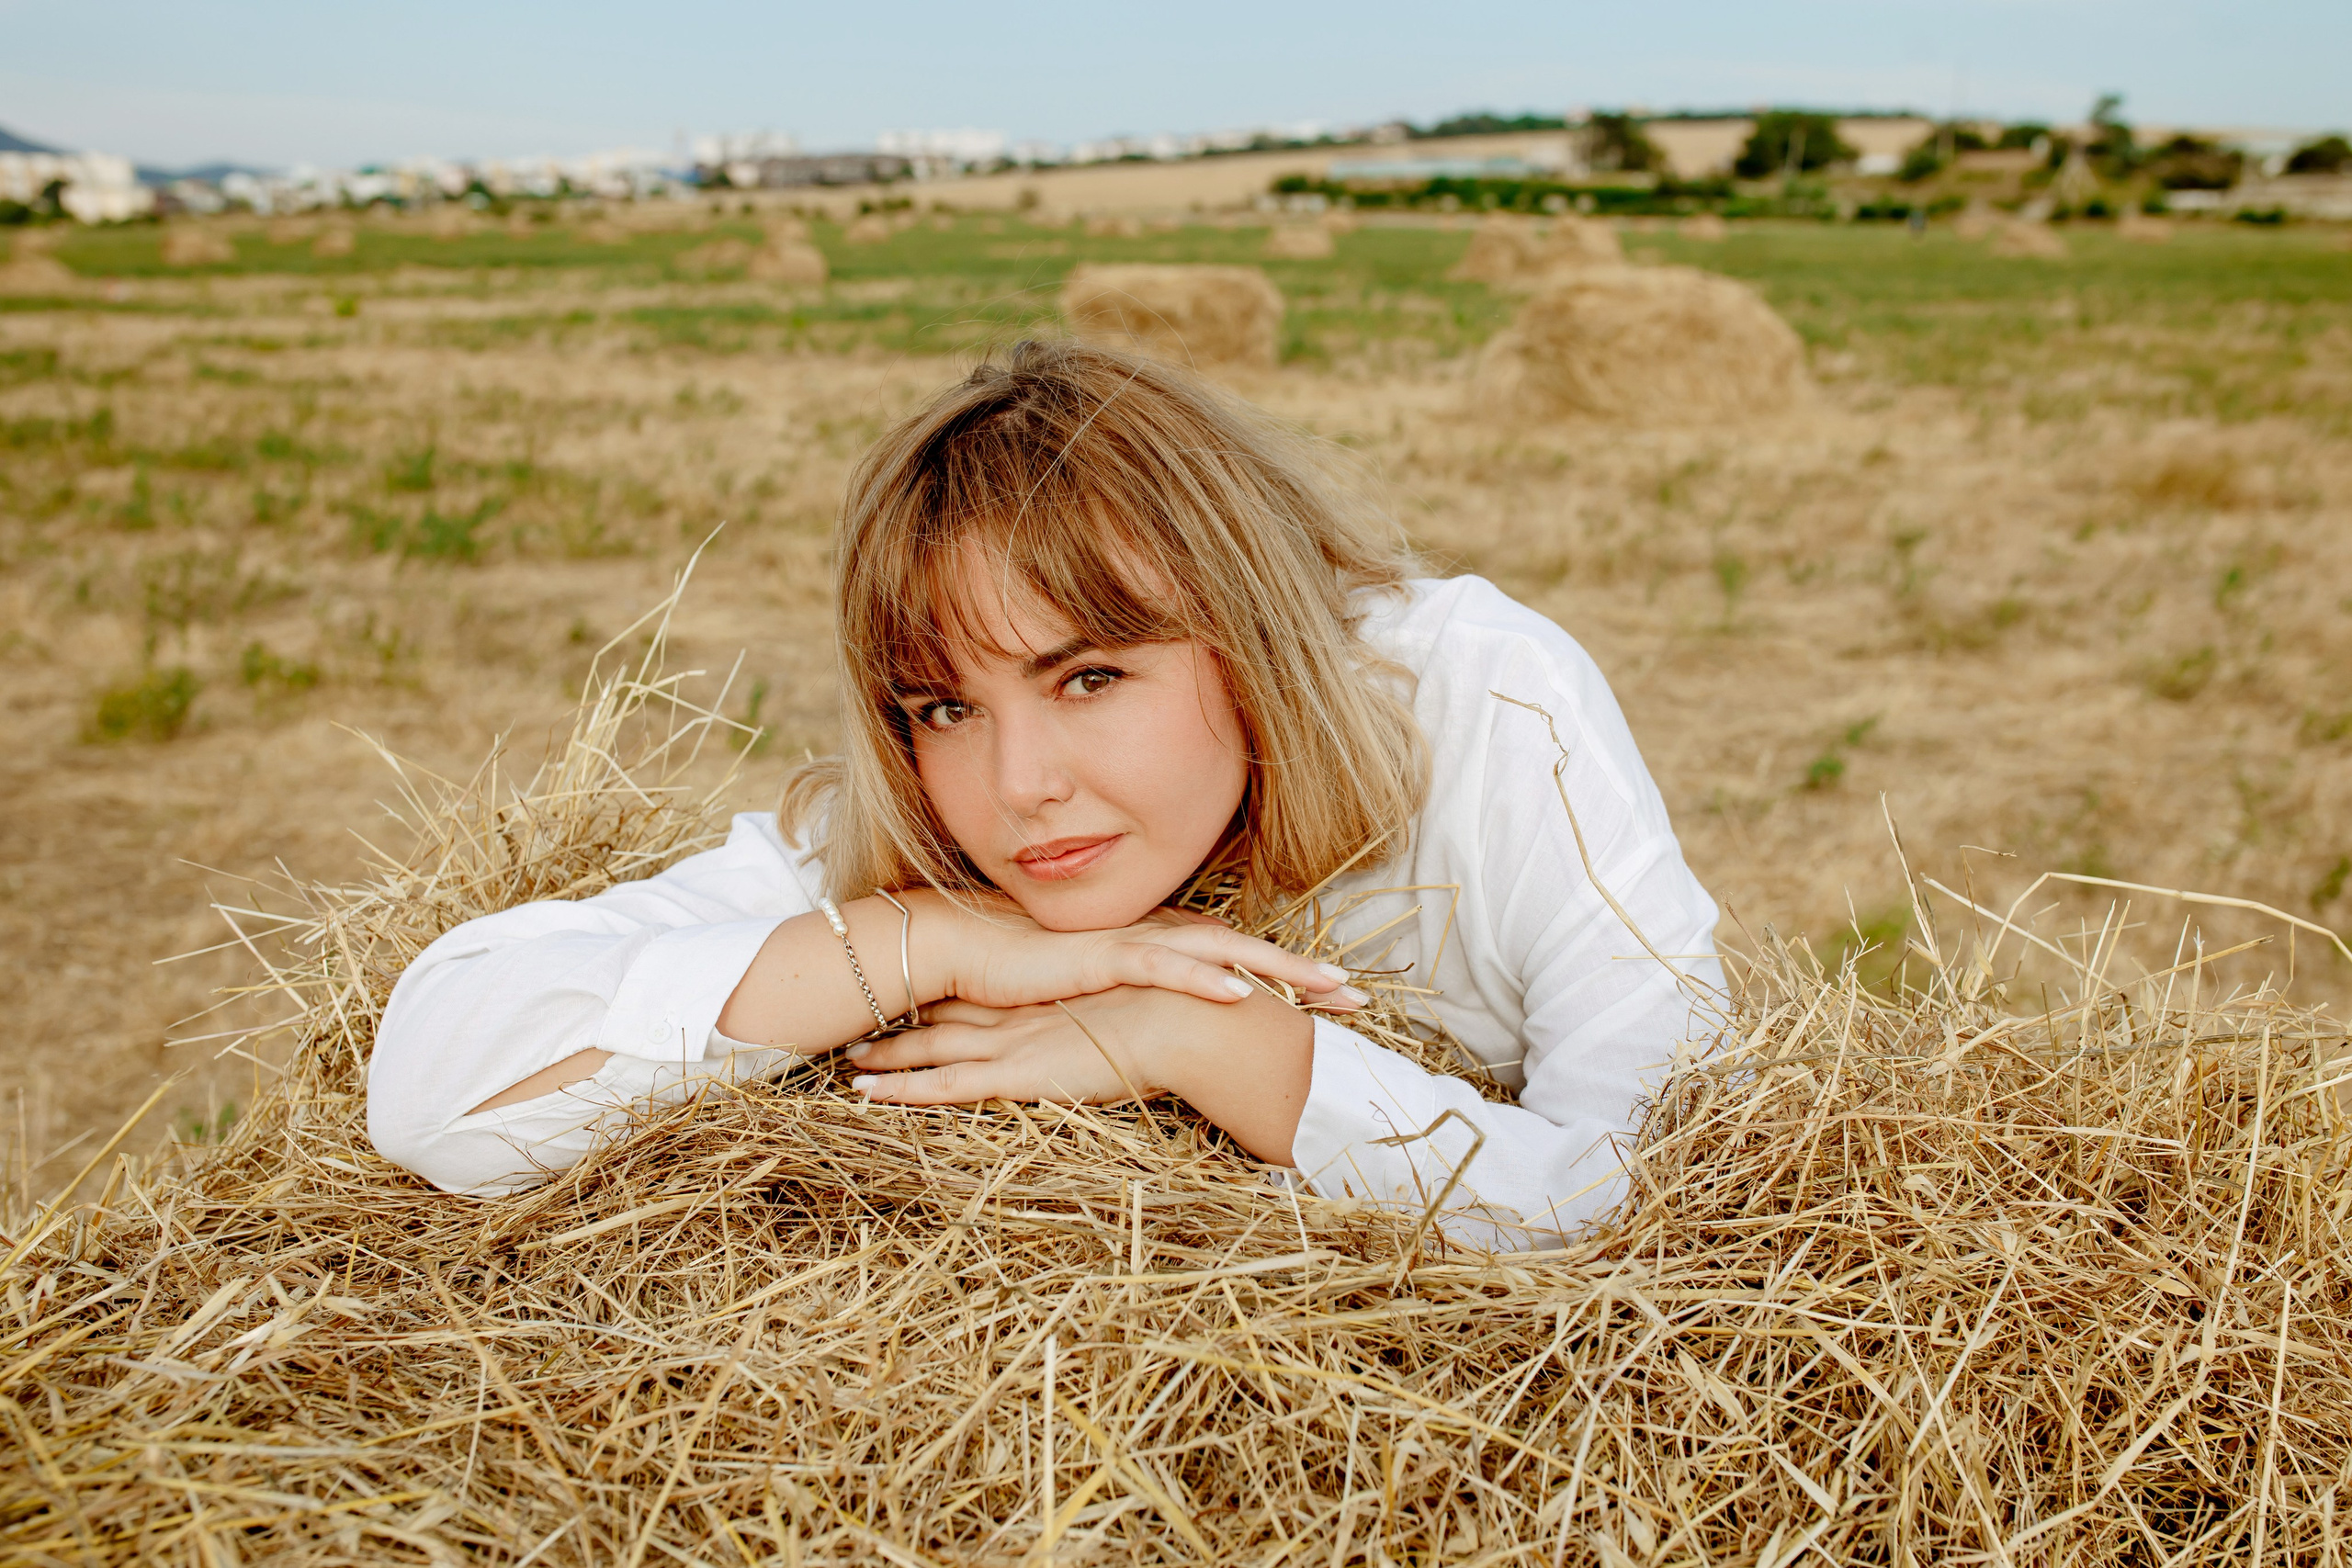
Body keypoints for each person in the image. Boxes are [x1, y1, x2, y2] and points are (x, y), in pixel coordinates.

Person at [368, 340, 1724, 1248]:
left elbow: (1664, 1196)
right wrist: (939, 943)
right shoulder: (921, 826)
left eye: (1087, 680)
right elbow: (438, 1087)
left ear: (1250, 627)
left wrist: (1214, 1043)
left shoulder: (1485, 705)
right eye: (945, 706)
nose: (1018, 790)